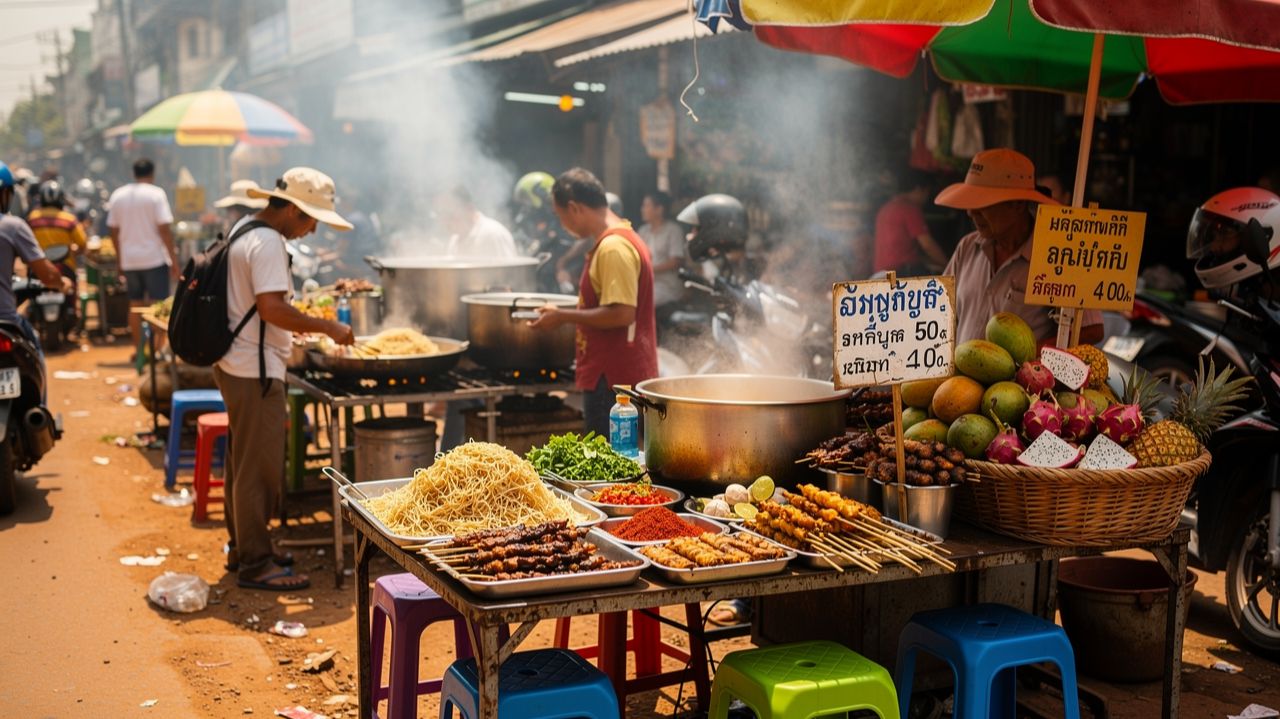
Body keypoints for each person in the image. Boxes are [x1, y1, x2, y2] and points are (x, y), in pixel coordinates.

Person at [217, 168, 355, 591]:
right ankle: (256, 564)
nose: (313, 229)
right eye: (311, 218)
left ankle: (245, 548)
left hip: (236, 363)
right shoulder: (270, 242)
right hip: (255, 369)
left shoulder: (245, 228)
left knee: (242, 464)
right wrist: (326, 327)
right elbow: (272, 308)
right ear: (292, 209)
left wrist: (291, 325)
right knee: (257, 471)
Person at [530, 168, 658, 436]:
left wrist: (563, 316)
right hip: (616, 378)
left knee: (610, 468)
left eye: (559, 215)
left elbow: (622, 314)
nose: (561, 223)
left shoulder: (613, 248)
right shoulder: (621, 238)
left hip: (613, 384)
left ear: (574, 208)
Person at [936, 148, 1103, 345]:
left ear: (1017, 205)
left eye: (983, 203)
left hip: (1022, 375)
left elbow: (1092, 330)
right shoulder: (967, 246)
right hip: (957, 376)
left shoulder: (1056, 256)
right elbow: (938, 311)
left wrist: (1031, 355)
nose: (971, 212)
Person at [0, 162, 74, 350]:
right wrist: (62, 283)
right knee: (34, 349)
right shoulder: (12, 226)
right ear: (6, 194)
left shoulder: (32, 217)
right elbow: (48, 275)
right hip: (6, 320)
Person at [107, 158, 178, 350]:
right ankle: (156, 349)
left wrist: (120, 261)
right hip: (154, 259)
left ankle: (139, 350)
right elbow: (164, 229)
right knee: (158, 306)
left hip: (130, 261)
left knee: (135, 305)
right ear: (152, 174)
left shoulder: (118, 195)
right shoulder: (156, 194)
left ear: (134, 174)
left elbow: (113, 231)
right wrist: (174, 260)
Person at [873, 169, 948, 275]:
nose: (926, 198)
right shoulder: (910, 209)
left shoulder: (886, 208)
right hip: (899, 275)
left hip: (880, 275)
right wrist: (949, 266)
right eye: (927, 192)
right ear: (918, 189)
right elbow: (927, 245)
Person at [637, 191, 687, 319]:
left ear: (659, 209)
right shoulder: (643, 231)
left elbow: (676, 261)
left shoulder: (673, 230)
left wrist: (649, 270)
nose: (642, 209)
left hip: (666, 286)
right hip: (646, 284)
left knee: (639, 303)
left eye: (646, 205)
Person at [436, 185, 517, 258]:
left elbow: (509, 273)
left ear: (469, 208)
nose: (444, 220)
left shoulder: (492, 234)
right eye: (441, 214)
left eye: (449, 213)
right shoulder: (454, 240)